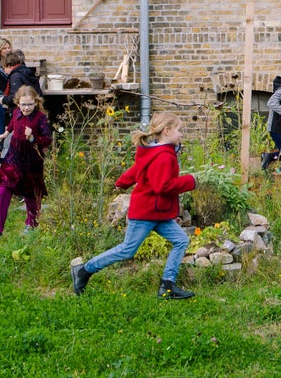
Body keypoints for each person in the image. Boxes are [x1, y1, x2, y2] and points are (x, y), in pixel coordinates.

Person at [70, 111, 197, 299]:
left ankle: (167, 286)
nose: (181, 134)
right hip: (146, 213)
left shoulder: (154, 150)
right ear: (167, 131)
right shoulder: (164, 156)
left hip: (159, 213)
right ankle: (84, 270)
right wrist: (191, 181)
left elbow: (139, 168)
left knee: (181, 240)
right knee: (127, 249)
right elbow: (162, 186)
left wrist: (123, 181)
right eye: (179, 130)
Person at [0, 85, 52, 240]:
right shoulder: (16, 113)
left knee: (31, 194)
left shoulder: (40, 118)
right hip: (13, 158)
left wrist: (33, 138)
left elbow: (47, 140)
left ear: (36, 102)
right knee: (3, 189)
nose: (26, 108)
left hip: (32, 160)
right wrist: (4, 134)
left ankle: (32, 224)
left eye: (29, 104)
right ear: (18, 103)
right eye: (23, 104)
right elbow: (13, 124)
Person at [0, 49, 42, 151]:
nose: (4, 71)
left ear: (9, 66)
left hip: (23, 115)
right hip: (34, 111)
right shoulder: (26, 72)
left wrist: (3, 100)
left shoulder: (15, 76)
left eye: (4, 68)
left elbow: (15, 97)